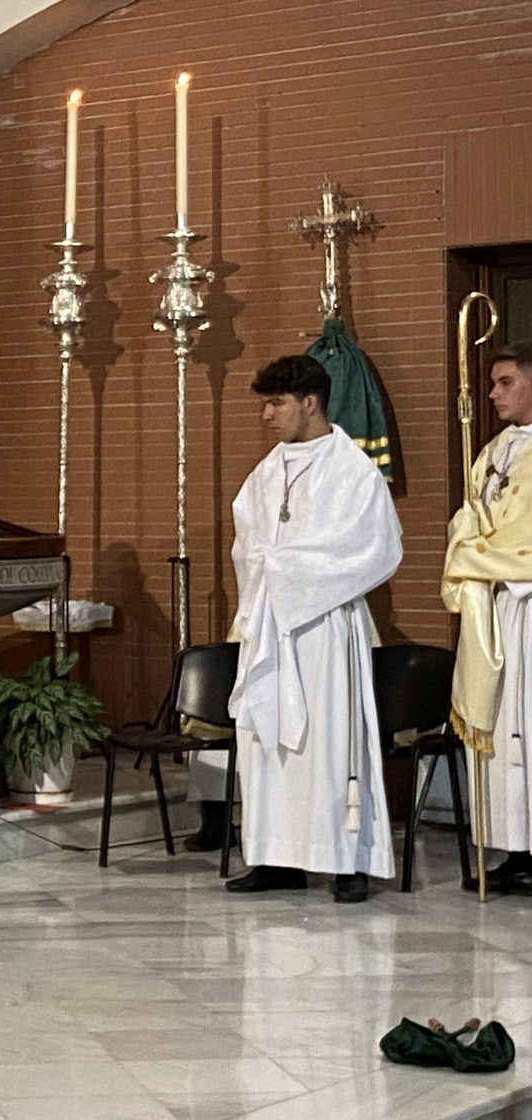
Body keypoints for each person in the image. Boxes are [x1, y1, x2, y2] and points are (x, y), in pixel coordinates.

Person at [225, 355, 401, 903]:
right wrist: (269, 571)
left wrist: (287, 570)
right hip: (271, 626)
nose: (266, 416)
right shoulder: (266, 471)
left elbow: (375, 550)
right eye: (264, 403)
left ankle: (346, 860)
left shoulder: (353, 471)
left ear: (310, 402)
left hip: (324, 628)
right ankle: (276, 856)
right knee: (268, 742)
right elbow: (245, 546)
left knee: (329, 744)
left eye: (276, 403)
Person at [443, 343, 532, 893]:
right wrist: (468, 546)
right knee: (502, 732)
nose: (492, 393)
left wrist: (474, 553)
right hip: (497, 608)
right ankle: (513, 847)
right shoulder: (494, 449)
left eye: (504, 382)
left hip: (528, 602)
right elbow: (466, 519)